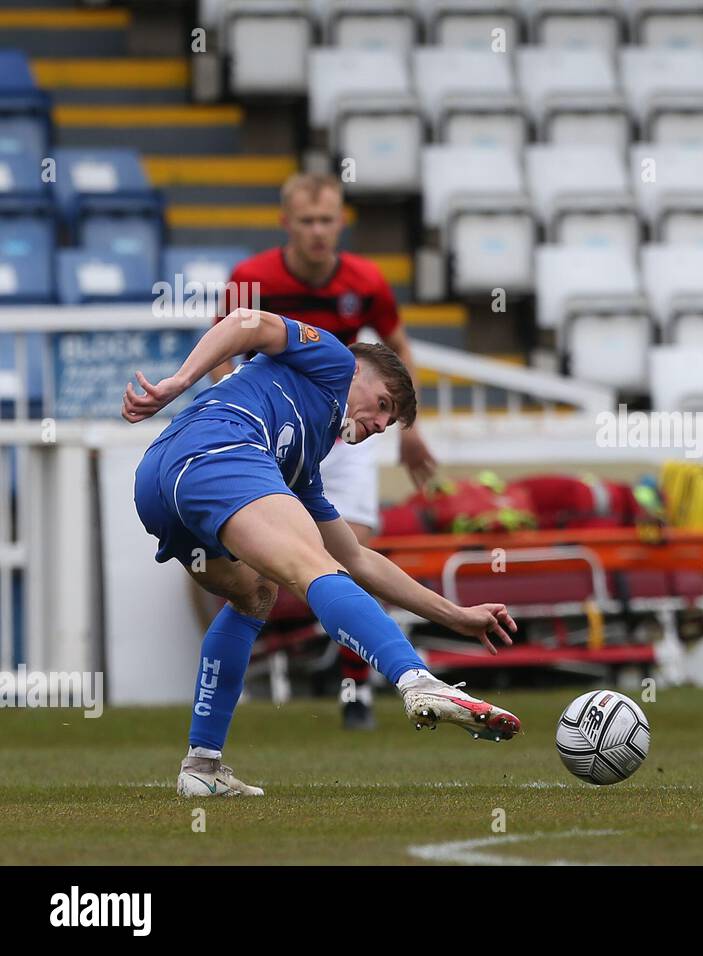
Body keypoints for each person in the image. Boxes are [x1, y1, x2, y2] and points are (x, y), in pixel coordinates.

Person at [128, 308, 520, 797]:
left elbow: (358, 559)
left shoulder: (304, 462)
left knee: (258, 596)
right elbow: (247, 321)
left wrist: (454, 615)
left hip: (158, 482)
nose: (379, 423)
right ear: (358, 371)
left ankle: (201, 768)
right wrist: (180, 380)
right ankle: (417, 681)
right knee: (313, 567)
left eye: (389, 421)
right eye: (382, 404)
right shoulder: (335, 359)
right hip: (219, 448)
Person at [213, 172, 437, 730]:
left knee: (349, 557)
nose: (318, 231)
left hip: (345, 437)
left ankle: (352, 689)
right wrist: (230, 408)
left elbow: (397, 346)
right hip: (274, 430)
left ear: (341, 222)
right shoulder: (251, 276)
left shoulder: (365, 280)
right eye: (307, 221)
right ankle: (229, 682)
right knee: (231, 562)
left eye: (327, 220)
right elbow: (225, 339)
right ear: (287, 223)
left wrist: (408, 428)